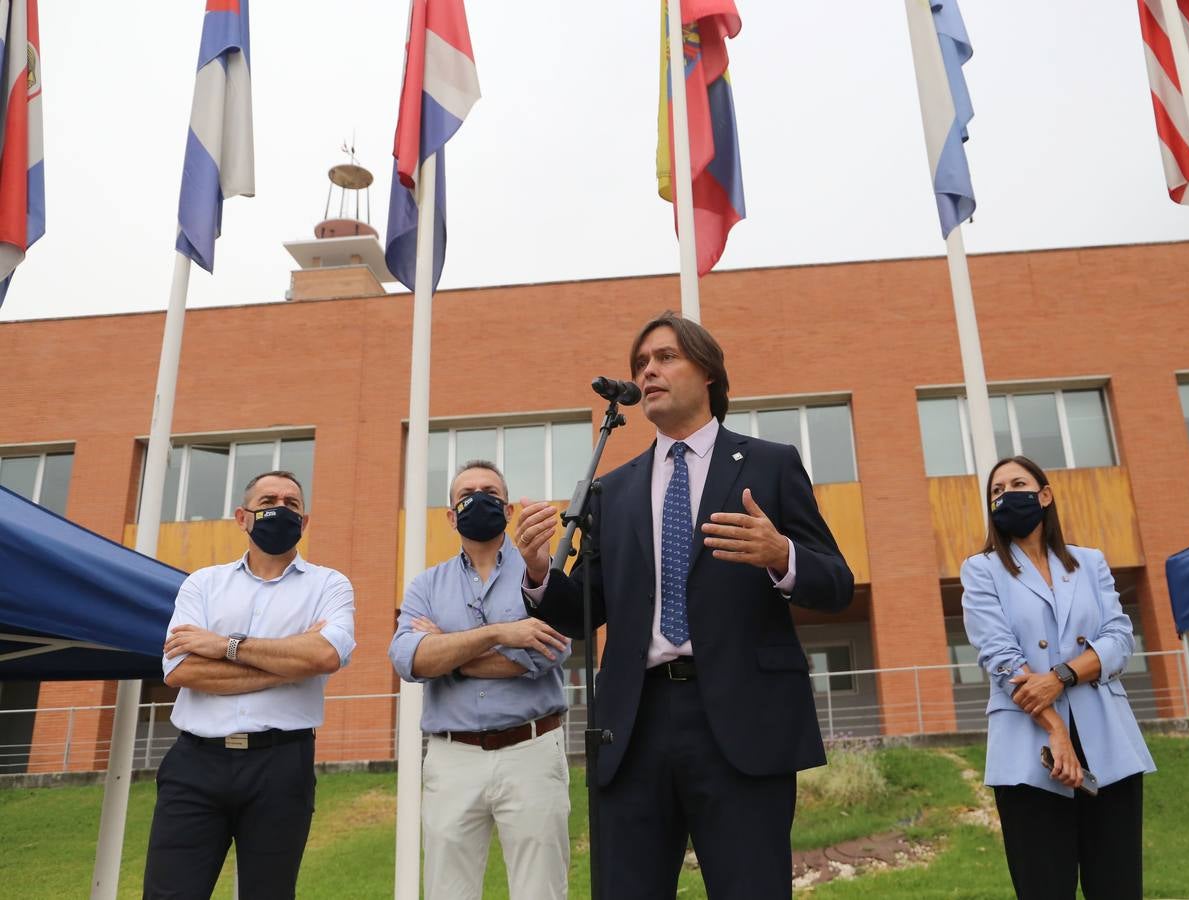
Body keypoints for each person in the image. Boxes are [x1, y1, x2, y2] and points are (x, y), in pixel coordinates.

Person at [515, 311, 854, 899]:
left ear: (709, 374)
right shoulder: (611, 489)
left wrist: (781, 555)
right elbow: (580, 612)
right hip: (634, 723)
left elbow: (837, 583)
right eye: (641, 364)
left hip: (742, 721)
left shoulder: (770, 464)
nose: (649, 371)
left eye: (666, 357)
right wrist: (540, 571)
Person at [144, 470, 356, 900]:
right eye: (268, 500)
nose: (279, 508)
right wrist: (289, 662)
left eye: (291, 503)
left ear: (305, 520)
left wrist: (224, 645)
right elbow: (181, 670)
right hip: (195, 764)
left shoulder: (329, 584)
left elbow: (325, 656)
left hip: (281, 765)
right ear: (243, 516)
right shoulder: (202, 583)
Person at [961, 455, 1156, 899]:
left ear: (1044, 495)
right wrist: (1056, 730)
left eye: (1017, 483)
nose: (1006, 494)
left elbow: (1119, 638)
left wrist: (1062, 675)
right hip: (1030, 753)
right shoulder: (981, 570)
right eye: (996, 490)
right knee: (1043, 886)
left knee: (1119, 885)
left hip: (1108, 744)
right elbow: (1001, 657)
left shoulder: (1089, 562)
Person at [388, 460, 573, 900]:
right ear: (451, 516)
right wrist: (499, 634)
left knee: (541, 890)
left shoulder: (542, 574)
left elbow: (546, 652)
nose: (479, 498)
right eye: (466, 493)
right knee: (447, 891)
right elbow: (406, 659)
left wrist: (448, 652)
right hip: (453, 757)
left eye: (489, 491)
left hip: (532, 750)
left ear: (507, 509)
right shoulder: (426, 586)